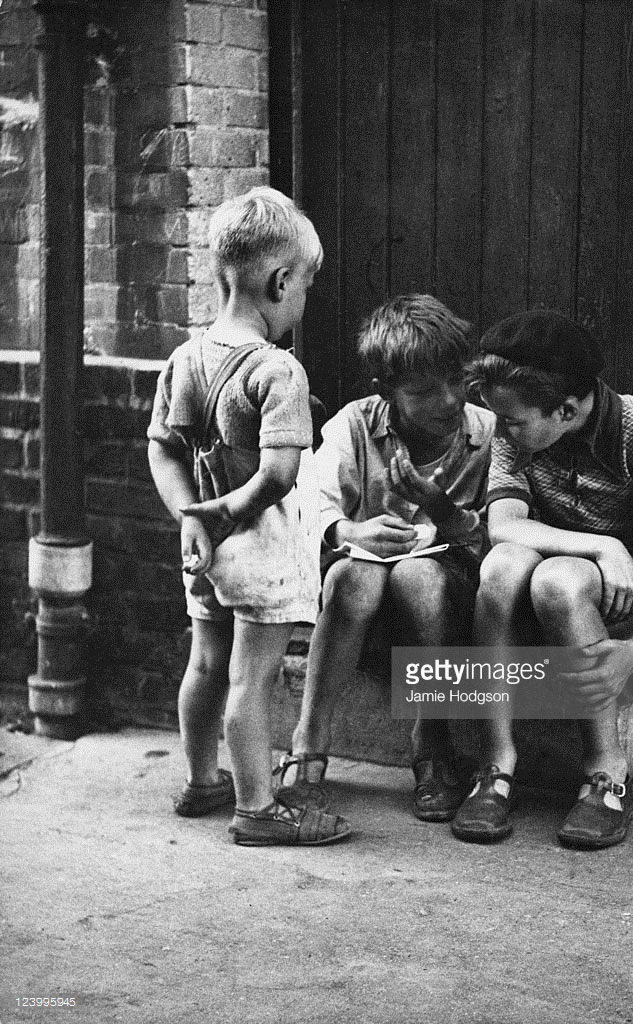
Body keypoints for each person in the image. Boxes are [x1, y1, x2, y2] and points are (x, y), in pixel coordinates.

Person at [456, 310, 633, 848]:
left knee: (559, 582)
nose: (500, 432)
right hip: (571, 567)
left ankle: (606, 773)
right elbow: (504, 526)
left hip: (625, 594)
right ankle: (497, 764)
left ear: (567, 410)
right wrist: (601, 544)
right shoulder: (518, 425)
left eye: (514, 422)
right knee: (501, 566)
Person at [147, 186, 350, 846]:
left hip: (204, 546)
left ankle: (204, 779)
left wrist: (192, 517)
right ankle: (257, 807)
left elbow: (163, 447)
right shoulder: (276, 371)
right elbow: (279, 475)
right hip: (258, 544)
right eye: (303, 289)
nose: (300, 302)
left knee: (205, 664)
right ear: (279, 279)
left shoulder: (185, 358)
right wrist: (230, 513)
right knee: (252, 678)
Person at [276, 294, 496, 824]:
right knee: (354, 575)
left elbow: (497, 537)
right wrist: (351, 530)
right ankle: (309, 742)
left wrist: (441, 511)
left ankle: (432, 740)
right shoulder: (356, 424)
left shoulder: (486, 434)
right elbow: (310, 504)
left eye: (456, 381)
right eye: (423, 391)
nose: (447, 401)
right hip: (361, 617)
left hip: (446, 616)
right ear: (386, 393)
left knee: (419, 575)